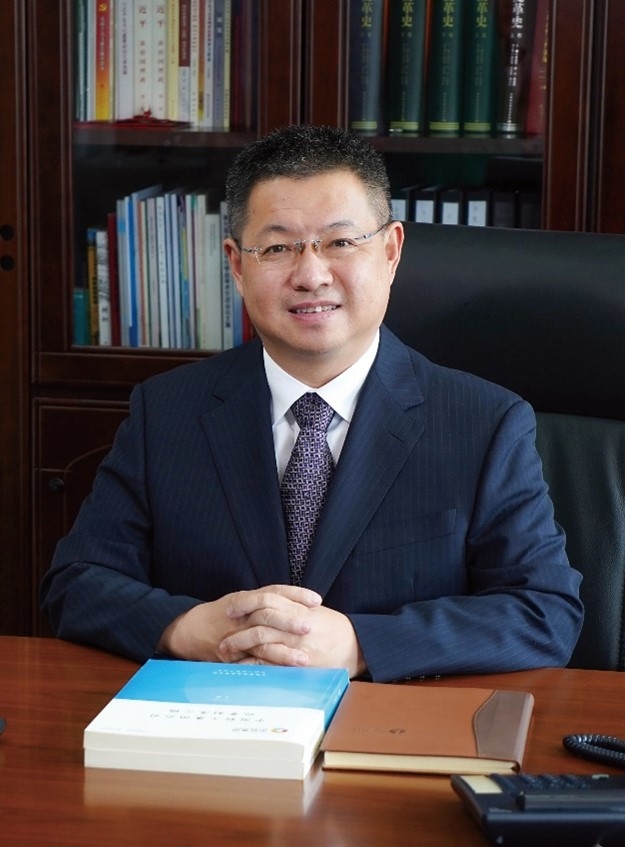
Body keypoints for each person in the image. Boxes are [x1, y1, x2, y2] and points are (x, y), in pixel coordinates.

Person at [40, 124, 583, 682]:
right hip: (216, 713)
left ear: (391, 251)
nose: (311, 275)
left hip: (391, 723)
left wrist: (361, 645)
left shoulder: (484, 422)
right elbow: (76, 582)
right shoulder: (167, 410)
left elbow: (544, 612)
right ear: (237, 265)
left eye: (340, 243)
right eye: (278, 248)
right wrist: (184, 627)